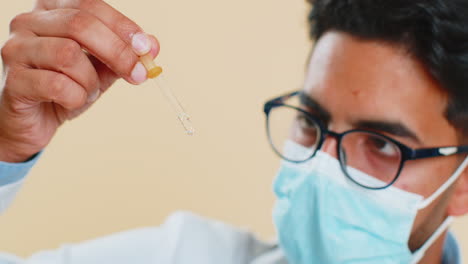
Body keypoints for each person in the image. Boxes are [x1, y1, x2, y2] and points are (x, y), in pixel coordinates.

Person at [1, 0, 468, 263]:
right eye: (310, 122)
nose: (321, 167)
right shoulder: (189, 255)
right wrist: (8, 144)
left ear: (462, 182)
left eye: (382, 145)